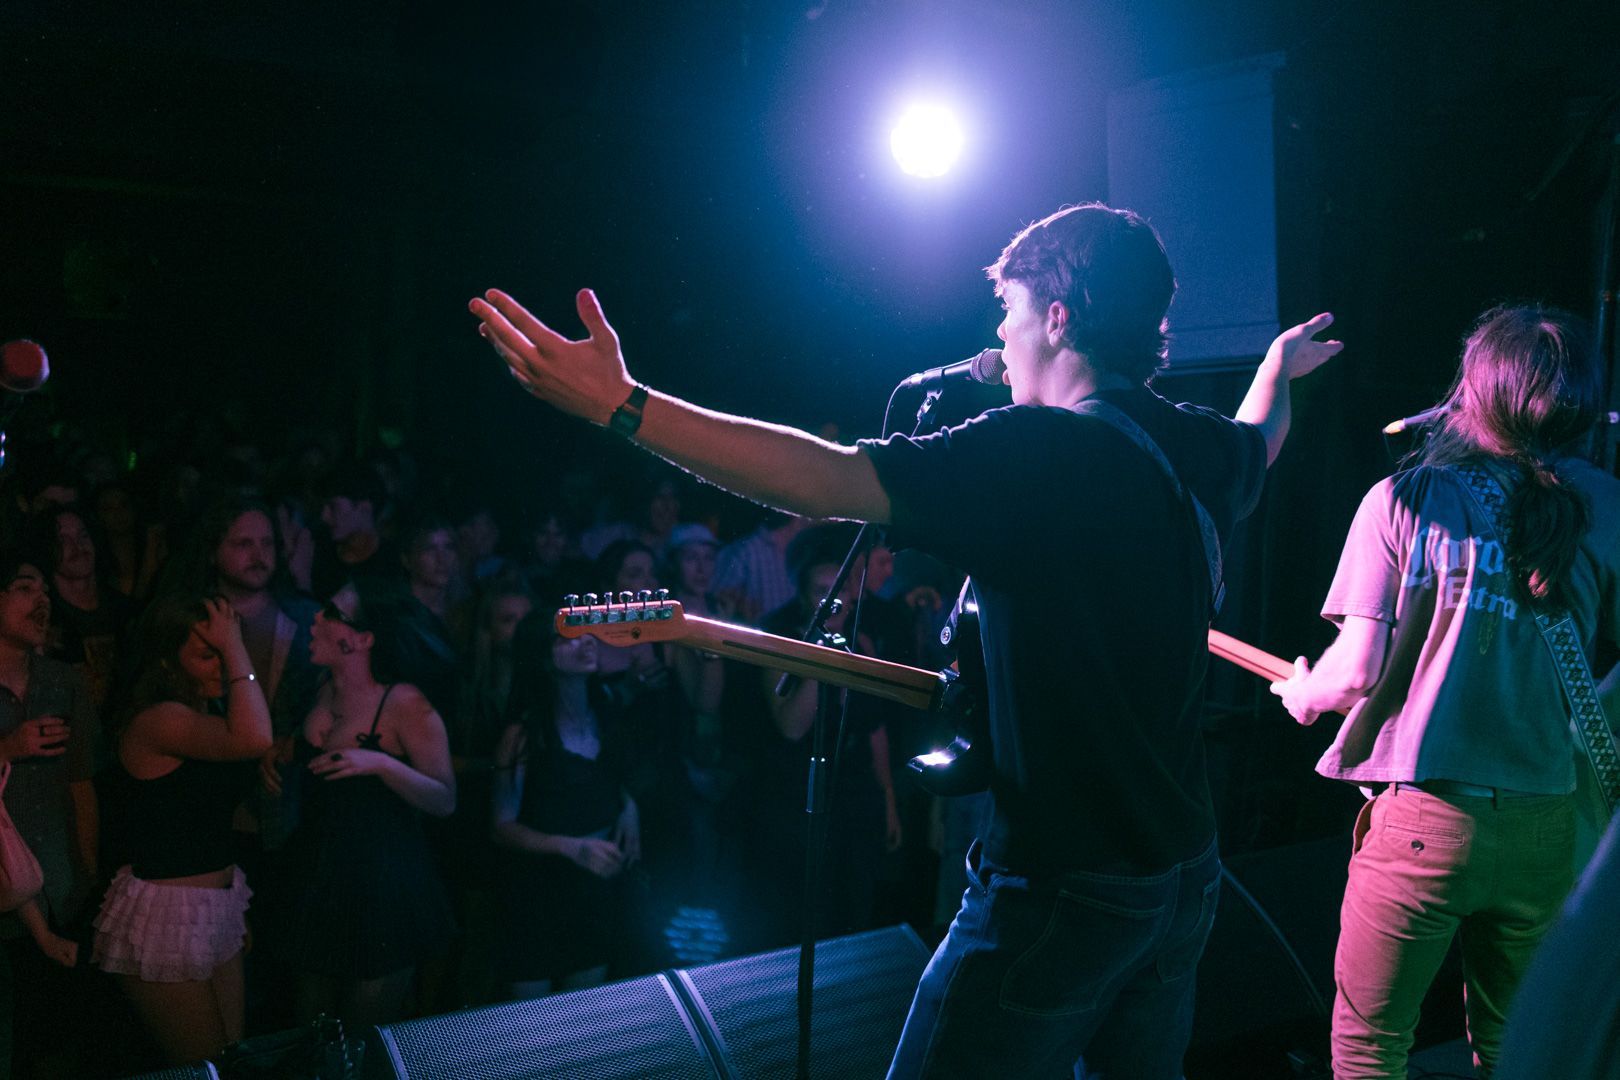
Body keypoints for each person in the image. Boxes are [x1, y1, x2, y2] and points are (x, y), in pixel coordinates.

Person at [469, 200, 1342, 1077]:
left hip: (1061, 883)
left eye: (1008, 311)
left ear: (1058, 317)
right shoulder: (1187, 439)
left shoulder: (1035, 451)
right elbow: (1259, 440)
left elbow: (825, 478)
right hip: (1182, 872)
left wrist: (625, 407)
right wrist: (1275, 365)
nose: (998, 338)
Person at [1270, 303, 1619, 1079]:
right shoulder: (1605, 505)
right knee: (1522, 1054)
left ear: (1477, 387)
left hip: (1425, 821)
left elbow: (1354, 671)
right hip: (1547, 825)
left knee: (1370, 1047)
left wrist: (1307, 691)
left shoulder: (1405, 499)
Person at [91, 595, 270, 1065]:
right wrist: (234, 645)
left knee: (232, 1061)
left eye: (225, 650)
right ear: (169, 661)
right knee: (206, 1068)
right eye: (207, 654)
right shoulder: (159, 719)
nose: (224, 662)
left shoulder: (204, 715)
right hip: (168, 914)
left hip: (216, 904)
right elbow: (254, 738)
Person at [278, 582, 457, 1030]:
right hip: (321, 874)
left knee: (362, 1038)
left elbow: (444, 799)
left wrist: (379, 763)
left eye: (331, 612)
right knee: (314, 1034)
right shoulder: (323, 686)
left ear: (362, 638)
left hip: (382, 886)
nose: (316, 619)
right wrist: (276, 752)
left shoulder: (405, 703)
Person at [491, 619, 642, 998]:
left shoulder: (607, 713)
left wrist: (628, 806)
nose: (586, 642)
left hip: (594, 890)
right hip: (539, 895)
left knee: (584, 1018)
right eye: (568, 637)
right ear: (543, 657)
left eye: (587, 634)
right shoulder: (523, 735)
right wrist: (572, 847)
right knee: (532, 1026)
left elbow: (609, 779)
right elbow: (501, 826)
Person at [0, 555, 99, 1080]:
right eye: (22, 587)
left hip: (57, 883)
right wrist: (8, 747)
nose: (41, 600)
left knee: (58, 1040)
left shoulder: (62, 681)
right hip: (3, 895)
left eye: (44, 590)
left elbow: (82, 782)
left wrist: (87, 870)